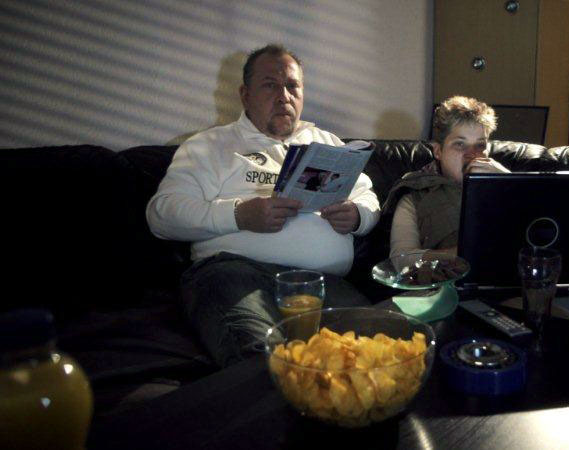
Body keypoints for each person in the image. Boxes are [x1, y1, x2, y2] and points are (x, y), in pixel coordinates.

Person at [146, 44, 380, 367]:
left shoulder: (326, 143)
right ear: (245, 95)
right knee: (265, 361)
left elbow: (368, 197)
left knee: (377, 351)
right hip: (236, 273)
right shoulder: (209, 146)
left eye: (292, 86)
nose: (284, 96)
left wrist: (357, 216)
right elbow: (161, 214)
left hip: (321, 283)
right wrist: (239, 215)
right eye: (270, 85)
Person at [382, 96, 510, 258]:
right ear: (438, 151)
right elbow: (402, 258)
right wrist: (468, 253)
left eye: (480, 145)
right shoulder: (414, 196)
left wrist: (507, 182)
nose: (472, 154)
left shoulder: (505, 184)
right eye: (460, 144)